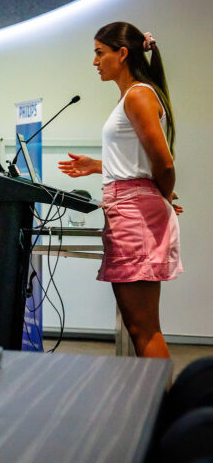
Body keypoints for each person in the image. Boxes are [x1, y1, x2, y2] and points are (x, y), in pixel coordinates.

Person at [58, 22, 182, 359]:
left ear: (122, 54)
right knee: (138, 328)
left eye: (100, 53)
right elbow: (140, 162)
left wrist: (162, 194)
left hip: (135, 214)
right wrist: (99, 165)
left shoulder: (138, 95)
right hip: (130, 209)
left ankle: (161, 410)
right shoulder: (133, 95)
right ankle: (155, 405)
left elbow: (164, 165)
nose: (94, 61)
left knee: (143, 330)